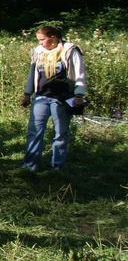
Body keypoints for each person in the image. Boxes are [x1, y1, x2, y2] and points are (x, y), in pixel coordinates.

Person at [20, 25, 87, 172]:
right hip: (41, 97)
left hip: (62, 99)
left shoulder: (70, 50)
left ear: (53, 38)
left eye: (42, 40)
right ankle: (30, 165)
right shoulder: (38, 51)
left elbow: (80, 73)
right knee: (35, 130)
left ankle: (57, 166)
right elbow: (33, 73)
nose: (40, 43)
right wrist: (27, 94)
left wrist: (79, 94)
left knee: (60, 133)